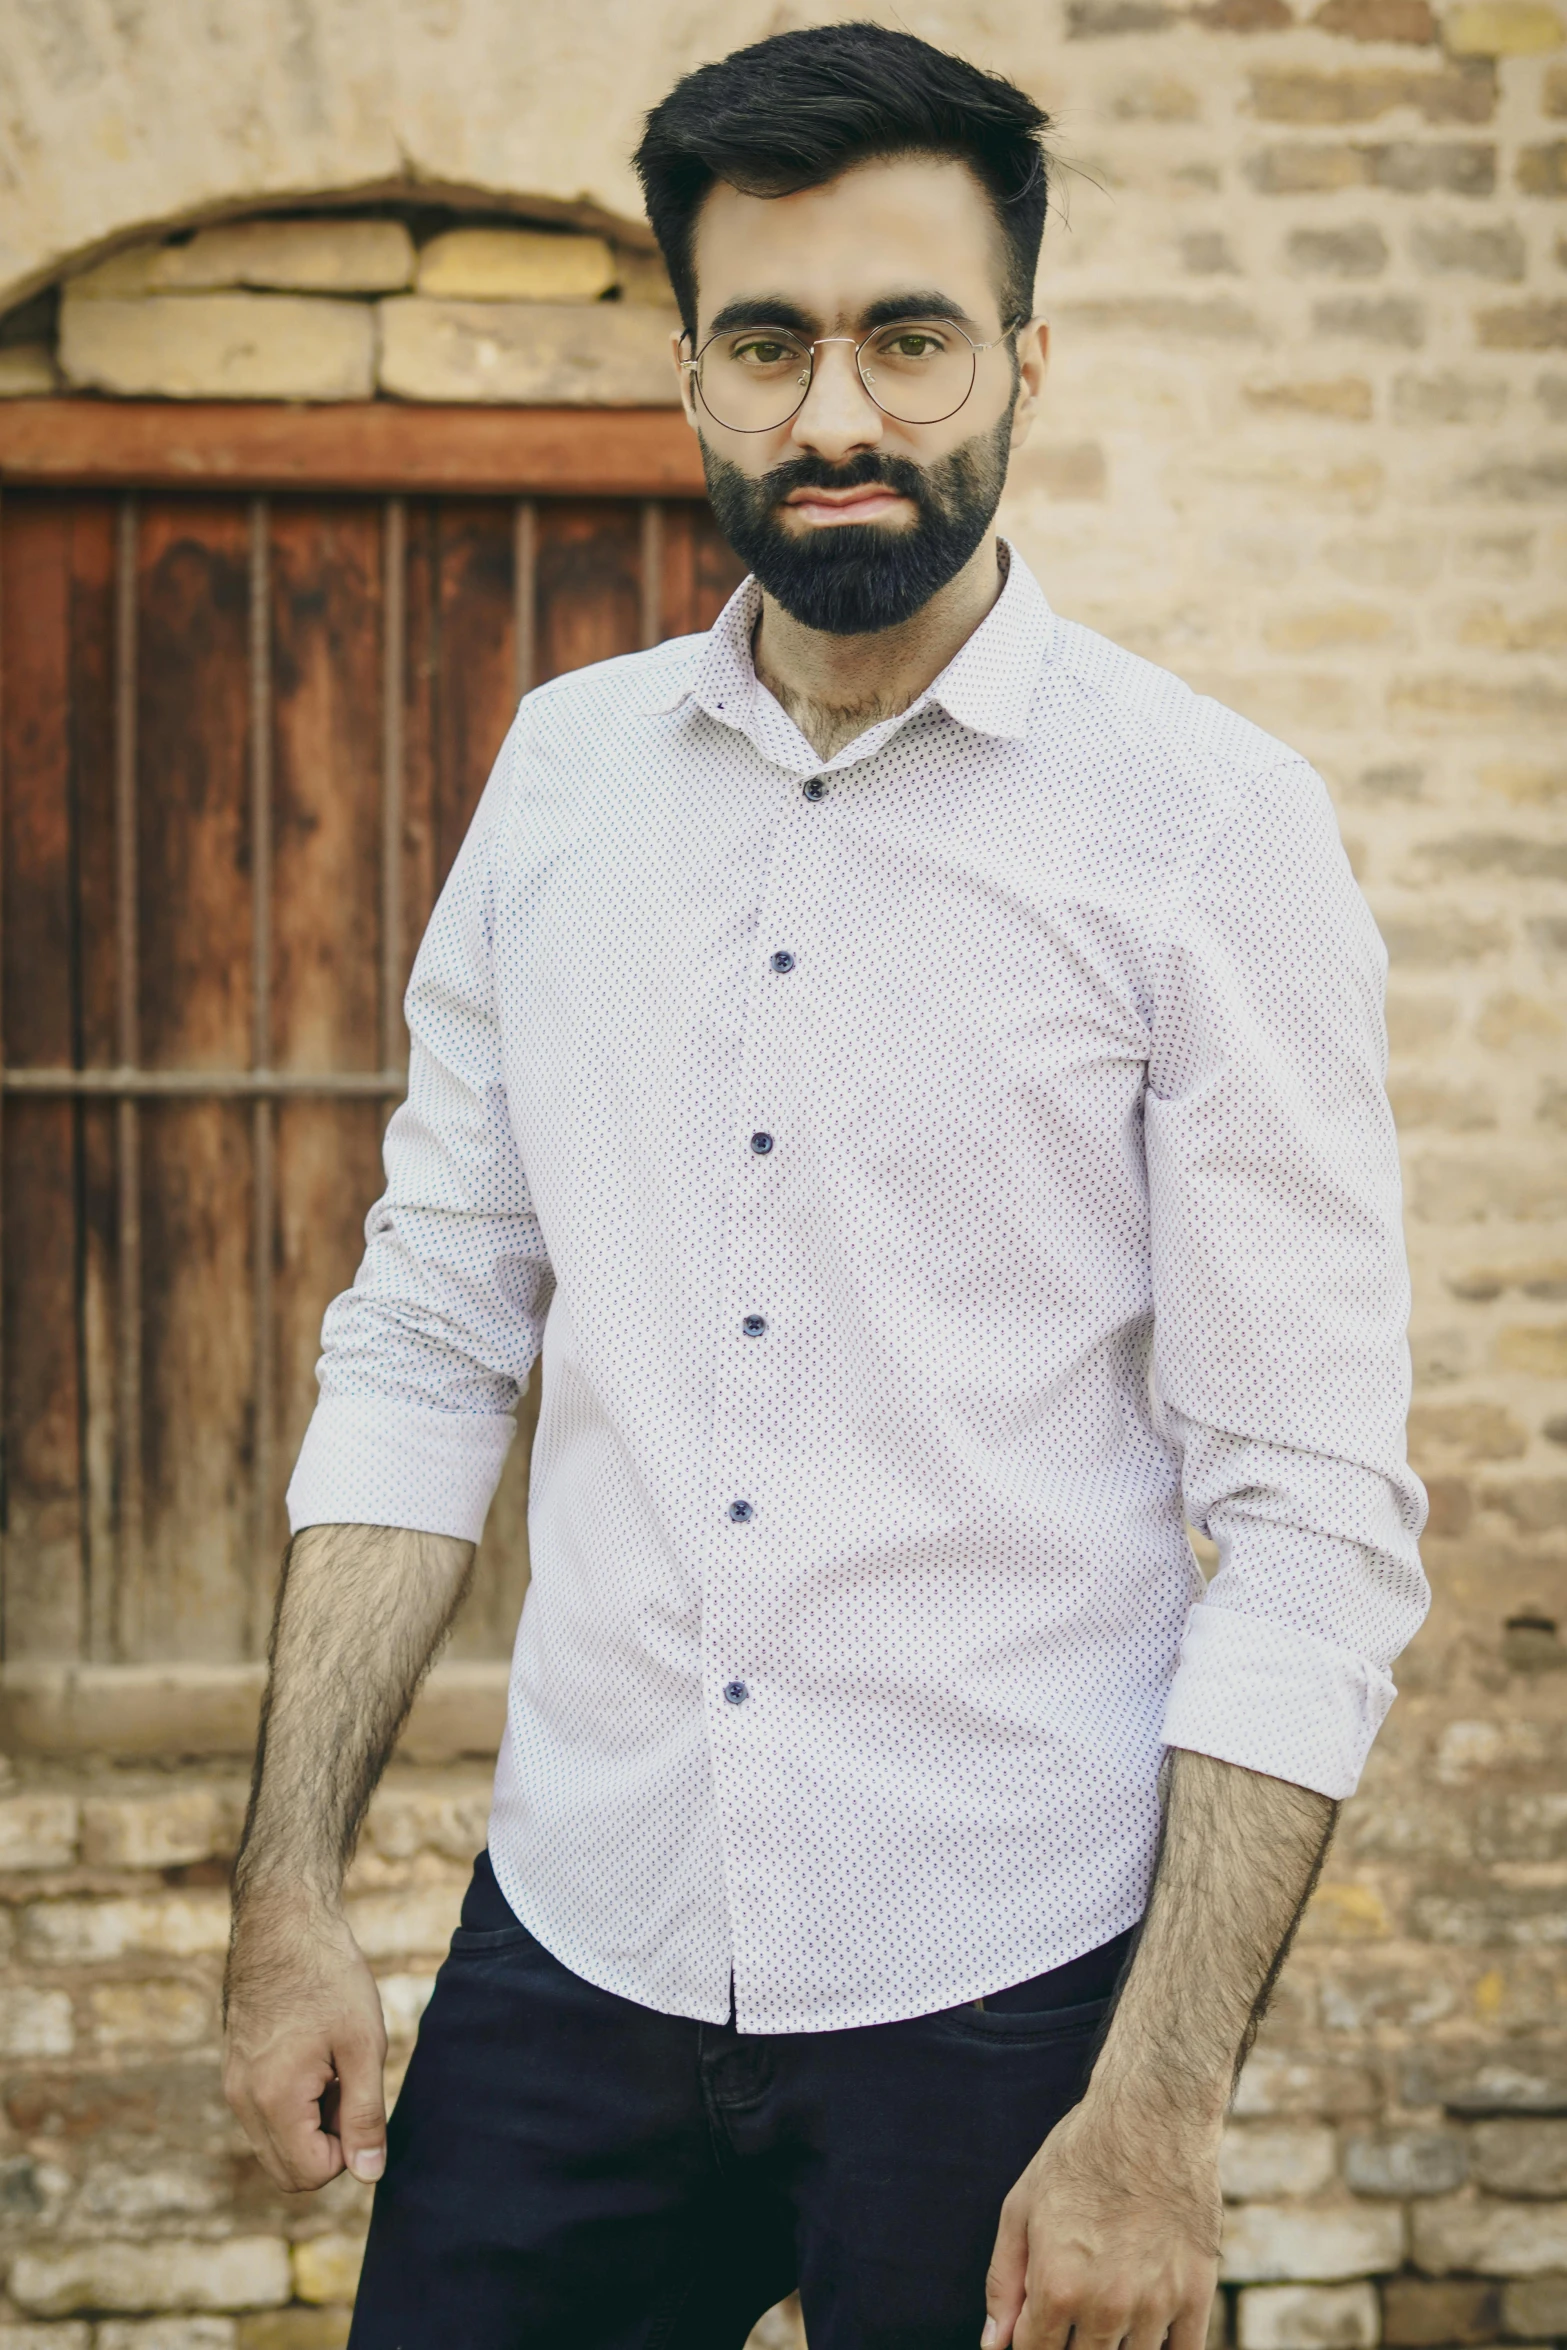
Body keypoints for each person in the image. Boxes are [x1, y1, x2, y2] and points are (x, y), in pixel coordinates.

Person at [222, 23, 1429, 2350]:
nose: (838, 413)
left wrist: (1157, 2111)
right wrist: (288, 1890)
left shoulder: (1204, 831)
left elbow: (1307, 1511)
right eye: (769, 342)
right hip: (570, 1952)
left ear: (1025, 360)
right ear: (689, 367)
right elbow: (427, 1327)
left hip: (1009, 1992)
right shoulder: (564, 781)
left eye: (908, 335)